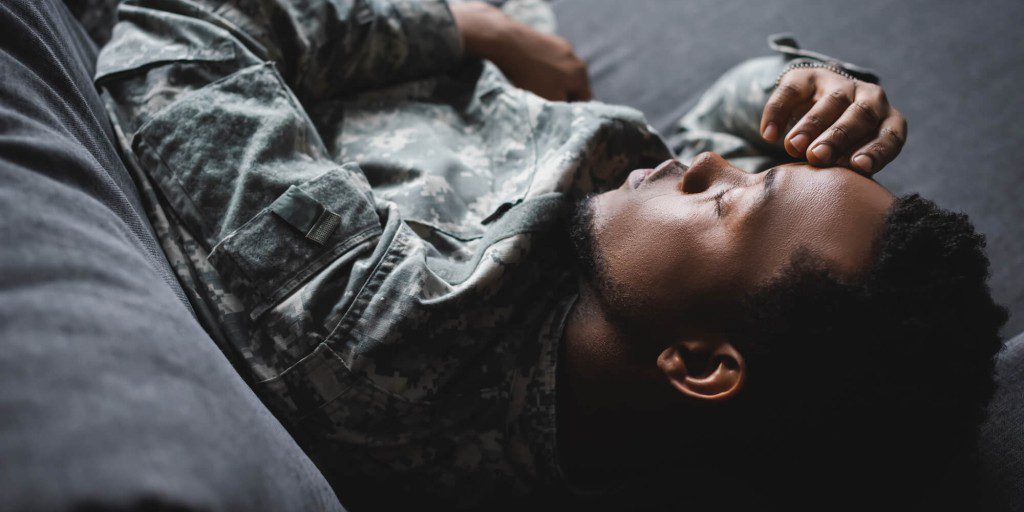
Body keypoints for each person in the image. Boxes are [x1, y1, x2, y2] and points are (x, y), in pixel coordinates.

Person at [94, 0, 1006, 508]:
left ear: (697, 364)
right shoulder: (638, 297)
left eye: (735, 195)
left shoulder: (380, 324)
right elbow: (726, 126)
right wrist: (825, 95)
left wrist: (464, 30)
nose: (707, 164)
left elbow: (177, 31)